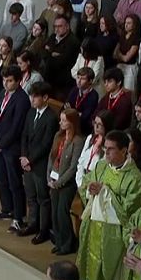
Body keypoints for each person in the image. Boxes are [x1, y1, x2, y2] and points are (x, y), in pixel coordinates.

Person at [78, 130, 141, 280]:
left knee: (109, 274)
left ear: (124, 150)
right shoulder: (100, 166)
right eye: (105, 149)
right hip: (93, 227)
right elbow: (86, 184)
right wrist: (89, 188)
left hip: (114, 236)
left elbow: (130, 210)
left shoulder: (133, 177)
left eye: (110, 150)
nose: (105, 153)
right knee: (90, 269)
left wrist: (105, 191)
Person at [0, 66, 28, 230]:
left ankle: (18, 217)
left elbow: (17, 127)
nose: (6, 84)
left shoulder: (22, 99)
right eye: (4, 80)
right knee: (1, 178)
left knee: (14, 182)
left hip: (10, 148)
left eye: (10, 81)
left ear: (18, 81)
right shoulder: (3, 94)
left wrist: (0, 145)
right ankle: (6, 209)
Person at [19, 82, 60, 245]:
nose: (32, 99)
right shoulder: (30, 113)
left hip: (40, 164)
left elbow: (46, 144)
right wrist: (23, 157)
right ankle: (32, 224)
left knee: (43, 198)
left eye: (35, 96)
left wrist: (30, 159)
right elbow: (24, 136)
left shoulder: (51, 117)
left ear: (45, 98)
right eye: (31, 96)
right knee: (31, 196)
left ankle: (43, 230)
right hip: (27, 162)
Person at [49, 108, 87, 255]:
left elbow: (73, 167)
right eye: (61, 119)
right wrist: (49, 178)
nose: (61, 122)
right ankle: (59, 241)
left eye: (64, 120)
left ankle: (68, 244)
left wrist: (59, 183)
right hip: (53, 179)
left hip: (66, 184)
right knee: (54, 213)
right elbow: (51, 158)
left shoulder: (78, 141)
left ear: (72, 122)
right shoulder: (58, 136)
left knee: (62, 213)